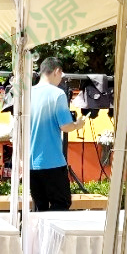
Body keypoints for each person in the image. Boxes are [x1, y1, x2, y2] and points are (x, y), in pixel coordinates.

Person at [29, 57, 87, 212]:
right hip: (52, 161)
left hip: (31, 163)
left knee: (40, 207)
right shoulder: (58, 94)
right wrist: (78, 124)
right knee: (61, 203)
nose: (61, 79)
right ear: (57, 71)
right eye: (61, 75)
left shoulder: (27, 94)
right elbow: (65, 126)